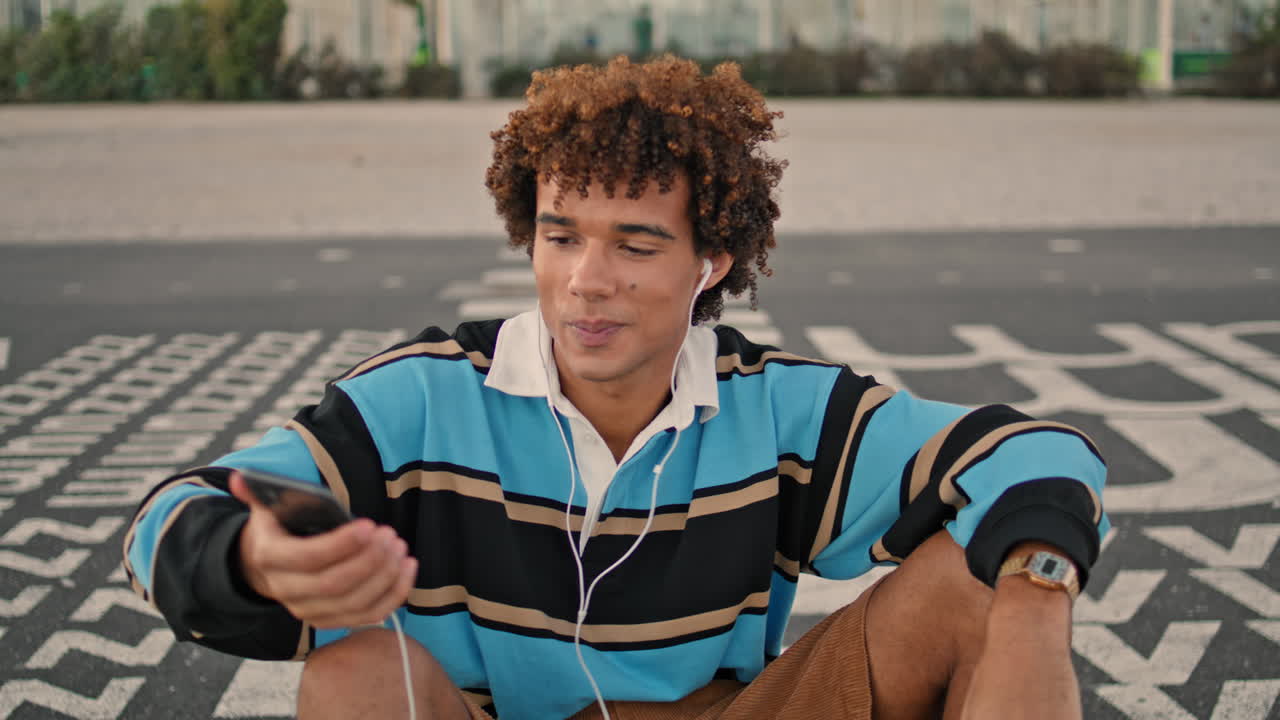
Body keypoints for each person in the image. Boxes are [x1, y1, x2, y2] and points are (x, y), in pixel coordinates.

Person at [123, 55, 1108, 720]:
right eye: (559, 237)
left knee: (988, 577)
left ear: (710, 258)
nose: (585, 282)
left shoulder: (776, 409)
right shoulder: (423, 398)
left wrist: (1031, 601)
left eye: (635, 245)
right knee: (351, 671)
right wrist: (252, 561)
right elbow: (168, 516)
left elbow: (1033, 454)